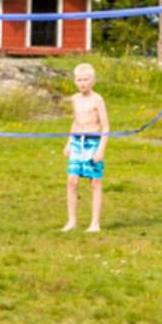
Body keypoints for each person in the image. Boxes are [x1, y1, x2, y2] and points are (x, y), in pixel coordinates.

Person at [63, 62, 110, 233]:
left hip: (93, 143)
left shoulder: (98, 100)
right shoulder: (74, 99)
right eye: (79, 80)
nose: (82, 83)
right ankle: (72, 221)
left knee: (95, 183)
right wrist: (69, 143)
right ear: (75, 81)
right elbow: (75, 122)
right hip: (77, 143)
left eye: (86, 79)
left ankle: (95, 223)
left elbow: (105, 127)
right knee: (72, 182)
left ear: (93, 81)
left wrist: (101, 150)